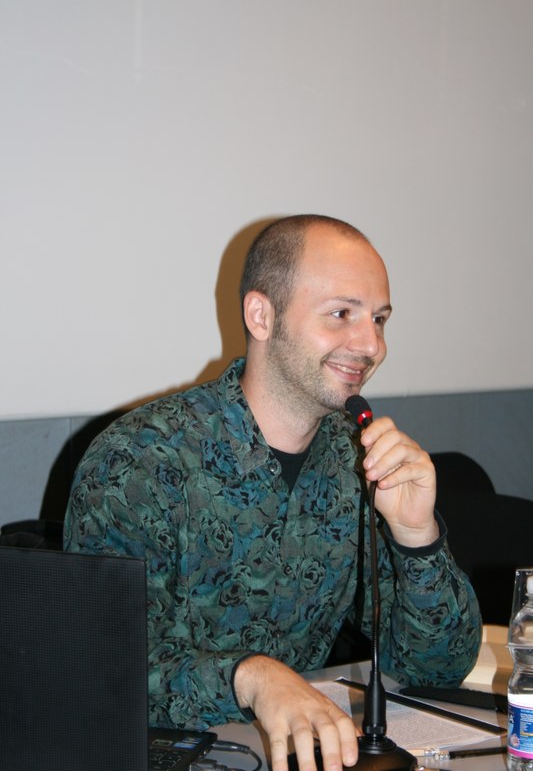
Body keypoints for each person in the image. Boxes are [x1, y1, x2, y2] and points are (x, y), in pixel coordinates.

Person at [64, 214, 482, 771]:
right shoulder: (141, 458)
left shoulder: (355, 462)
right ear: (261, 316)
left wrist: (416, 538)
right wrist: (252, 678)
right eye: (342, 313)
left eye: (379, 319)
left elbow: (437, 668)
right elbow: (100, 668)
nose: (372, 345)